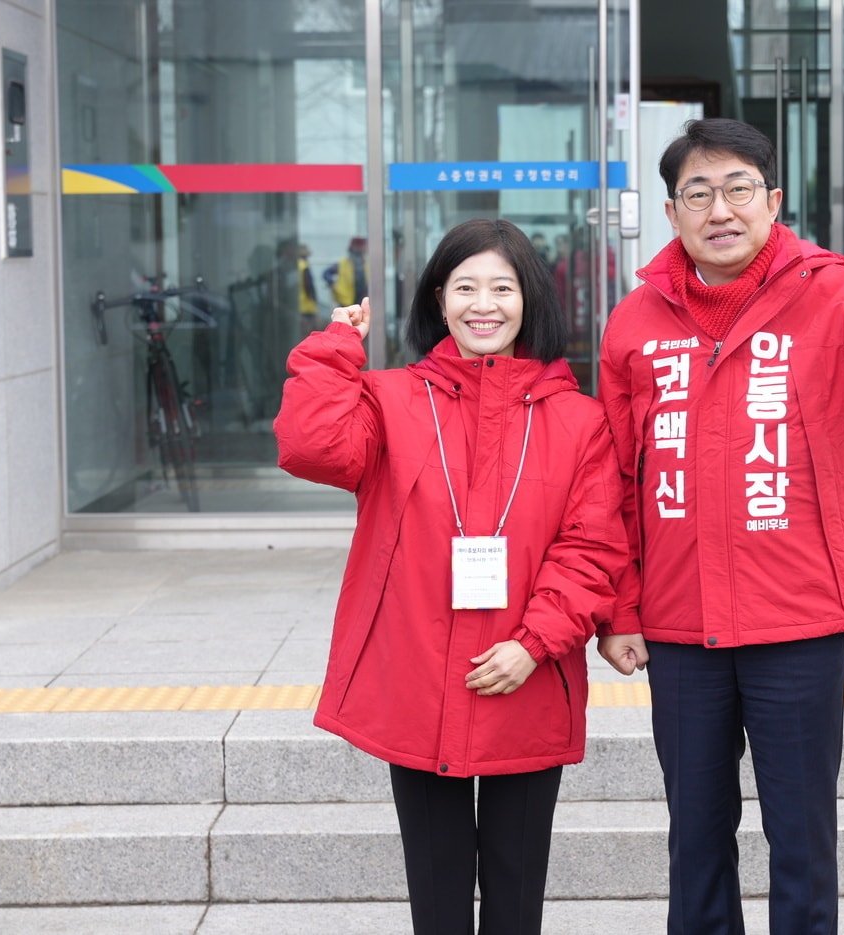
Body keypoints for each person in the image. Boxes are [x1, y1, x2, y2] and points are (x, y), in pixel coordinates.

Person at [596, 118, 844, 935]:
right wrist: (618, 608)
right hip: (678, 622)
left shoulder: (832, 295)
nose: (718, 209)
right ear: (671, 212)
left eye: (737, 189)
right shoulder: (635, 323)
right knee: (695, 838)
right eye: (698, 193)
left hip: (797, 617)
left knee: (801, 835)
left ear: (773, 201)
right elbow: (616, 479)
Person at [274, 218, 628, 935]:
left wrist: (533, 643)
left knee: (515, 900)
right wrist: (334, 348)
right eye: (465, 286)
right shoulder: (389, 398)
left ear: (530, 299)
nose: (483, 304)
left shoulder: (579, 419)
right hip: (418, 686)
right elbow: (311, 448)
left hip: (528, 680)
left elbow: (591, 548)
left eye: (502, 286)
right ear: (440, 300)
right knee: (434, 904)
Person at [330, 235, 369, 310]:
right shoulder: (342, 264)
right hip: (346, 301)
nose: (358, 256)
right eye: (356, 253)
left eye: (360, 253)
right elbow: (326, 274)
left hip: (360, 301)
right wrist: (333, 284)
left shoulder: (366, 266)